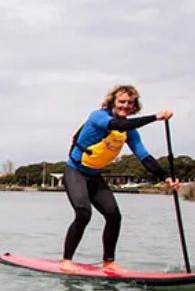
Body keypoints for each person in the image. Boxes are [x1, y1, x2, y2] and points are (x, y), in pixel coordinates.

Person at [60, 84, 179, 273]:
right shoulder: (98, 116)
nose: (125, 106)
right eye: (121, 101)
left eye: (130, 103)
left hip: (94, 175)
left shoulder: (130, 132)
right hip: (75, 172)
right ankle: (66, 260)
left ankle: (109, 262)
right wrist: (155, 117)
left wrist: (165, 177)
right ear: (112, 102)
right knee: (84, 213)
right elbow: (118, 124)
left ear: (134, 106)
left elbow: (144, 156)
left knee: (114, 215)